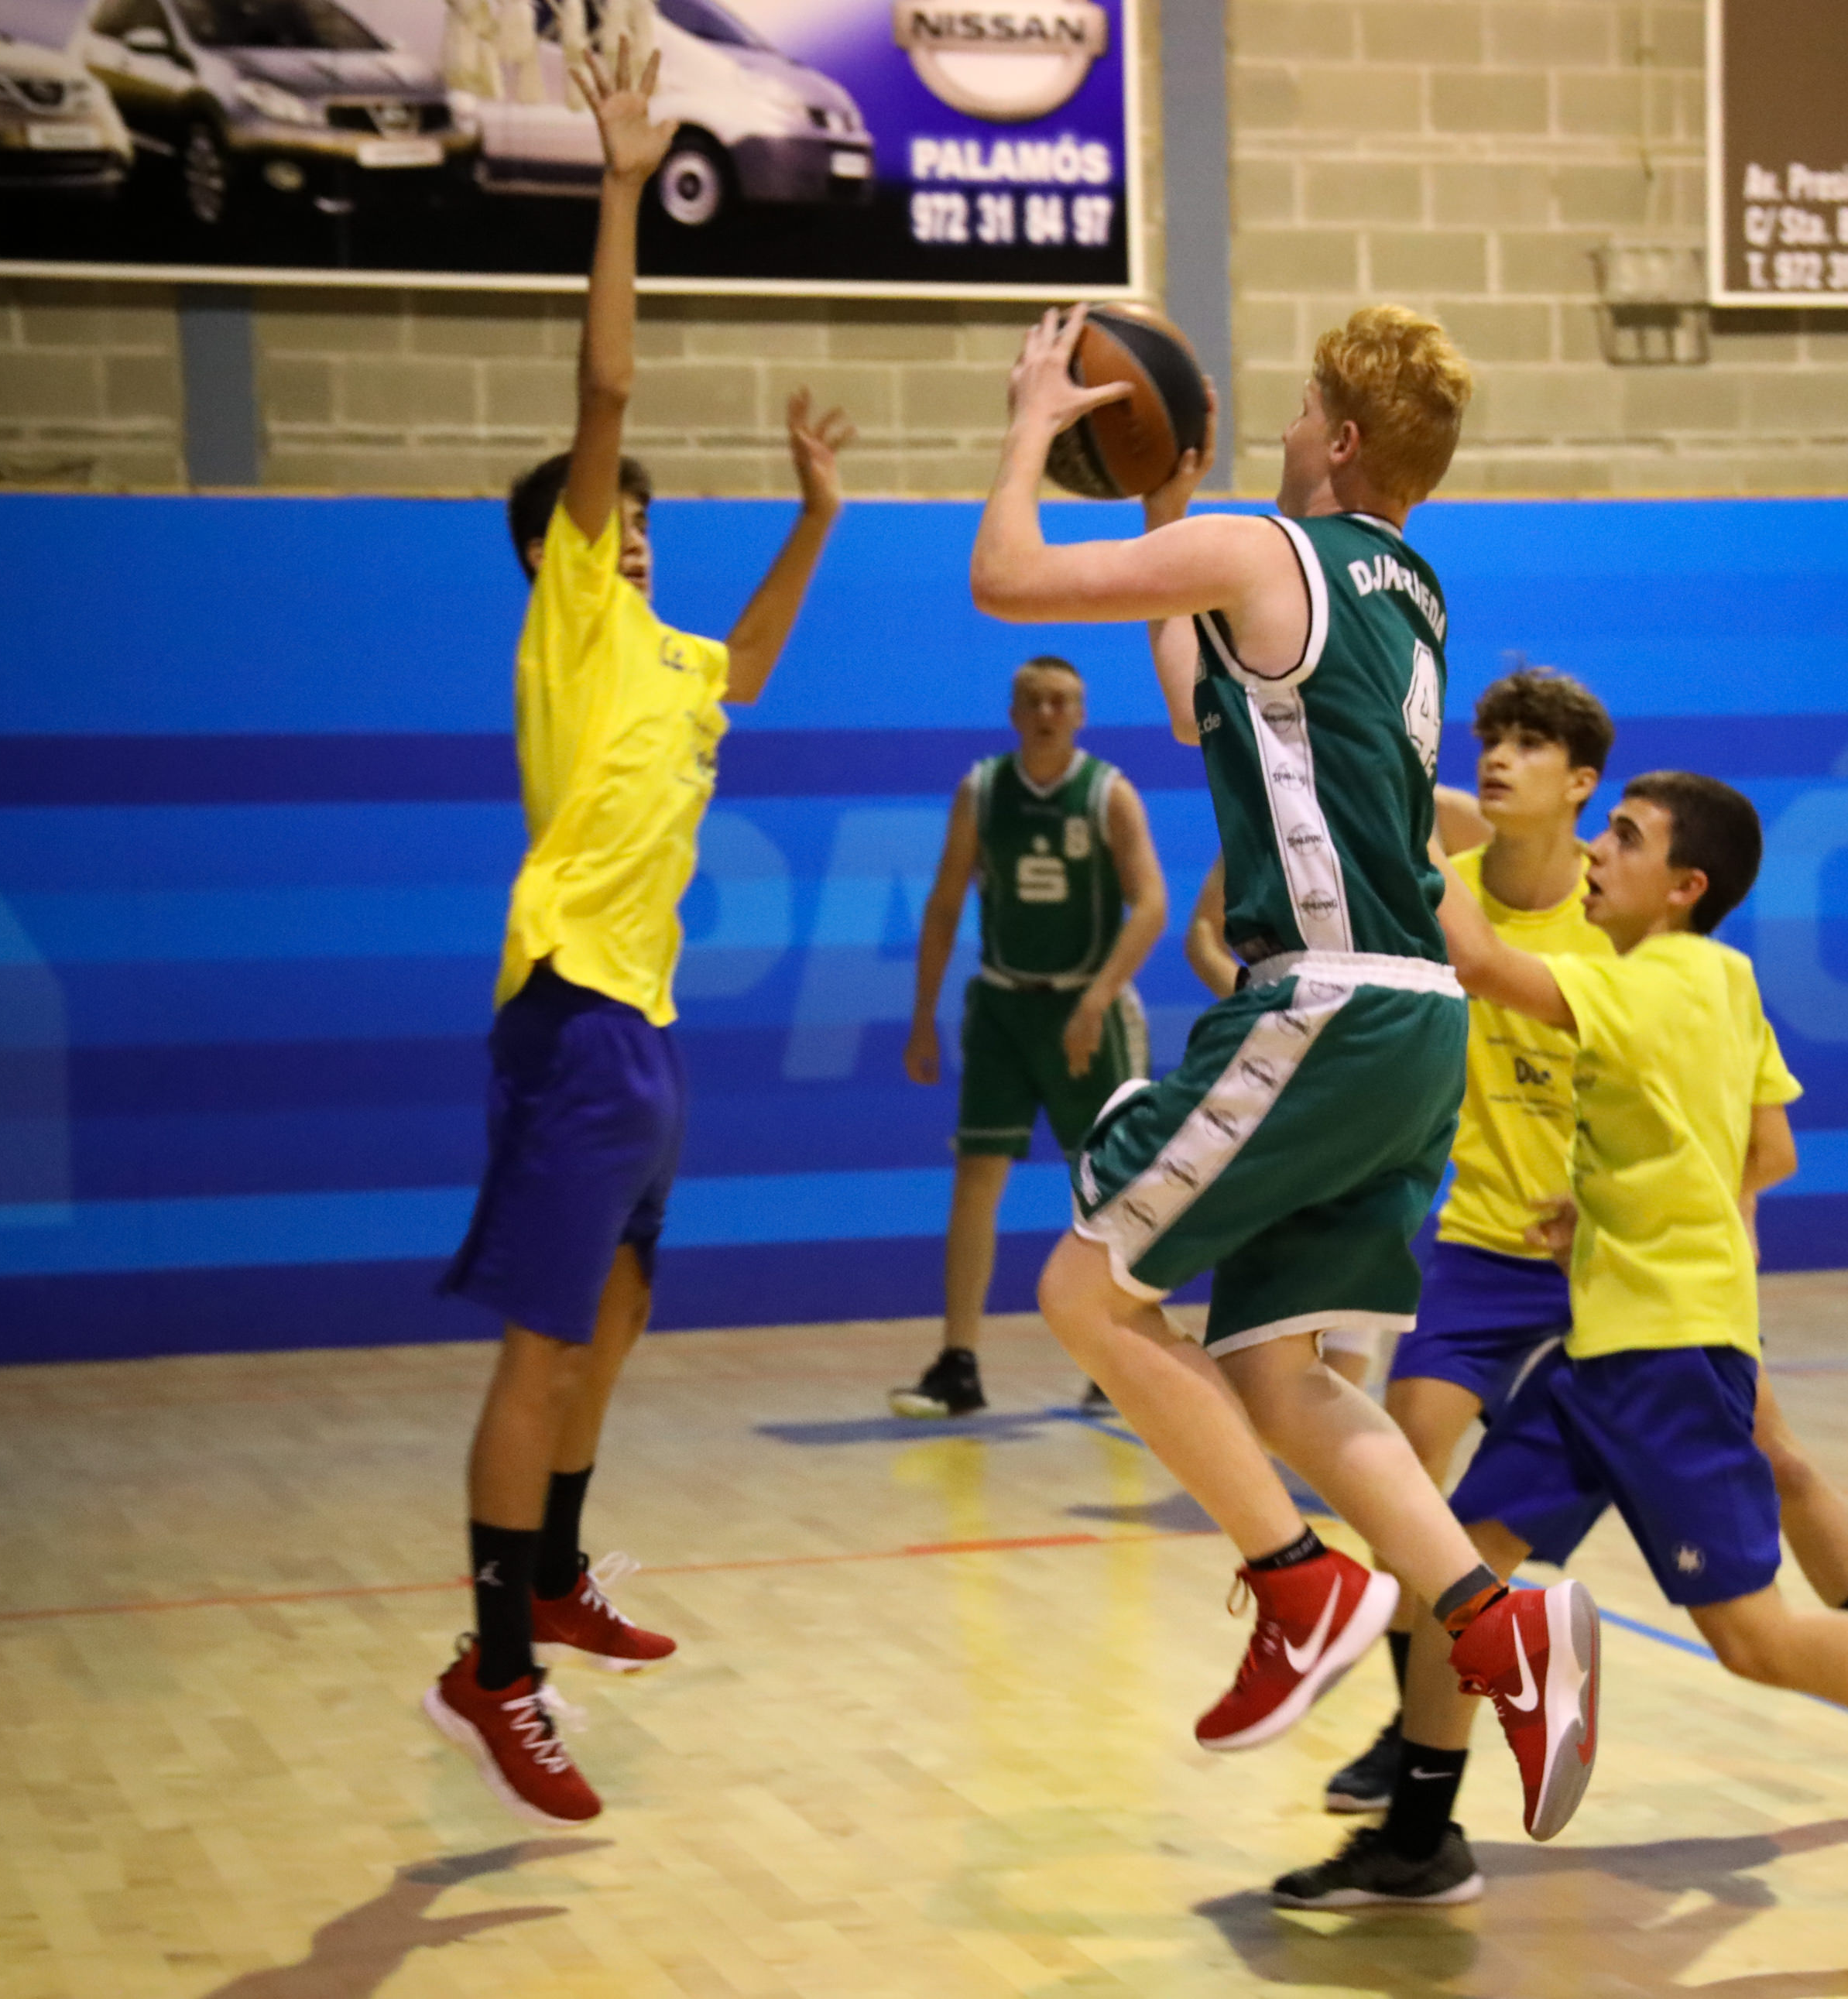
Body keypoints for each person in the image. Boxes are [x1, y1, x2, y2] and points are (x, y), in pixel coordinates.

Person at [969, 302, 1600, 1857]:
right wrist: (1165, 501)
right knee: (1278, 1374)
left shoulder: (1268, 550)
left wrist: (1034, 423)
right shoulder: (1407, 592)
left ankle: (1294, 1582)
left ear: (1340, 435)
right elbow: (1206, 695)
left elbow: (1006, 578)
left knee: (1080, 1292)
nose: (1287, 421)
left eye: (1306, 404)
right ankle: (1494, 1621)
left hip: (1320, 1001)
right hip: (1414, 1022)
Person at [1318, 772, 1848, 1913]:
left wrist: (1389, 801)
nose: (1599, 852)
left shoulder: (1643, 983)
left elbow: (1482, 961)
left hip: (1662, 1356)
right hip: (1610, 1344)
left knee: (1755, 1638)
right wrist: (1605, 1206)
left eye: (1626, 837)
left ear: (1684, 886)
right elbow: (1739, 1140)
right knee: (1462, 1565)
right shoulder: (1724, 979)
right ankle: (1418, 1837)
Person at [422, 39, 854, 1829]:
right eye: (618, 517)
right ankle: (491, 1663)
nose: (641, 532)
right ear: (561, 552)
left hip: (645, 1025)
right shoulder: (574, 624)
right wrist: (617, 188)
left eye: (652, 519)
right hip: (575, 1008)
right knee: (543, 1342)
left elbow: (743, 665)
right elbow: (604, 384)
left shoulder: (670, 661)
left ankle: (556, 1573)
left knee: (615, 1312)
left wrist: (815, 520)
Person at [891, 657, 1170, 1419]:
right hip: (1004, 1005)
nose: (1047, 712)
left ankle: (1120, 1354)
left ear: (1080, 714)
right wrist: (922, 1014)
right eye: (1034, 700)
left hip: (1087, 1006)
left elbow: (1151, 904)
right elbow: (944, 905)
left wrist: (1098, 997)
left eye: (1061, 701)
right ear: (1014, 712)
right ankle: (958, 1361)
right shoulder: (982, 790)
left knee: (1113, 1185)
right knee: (975, 1174)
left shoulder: (1108, 792)